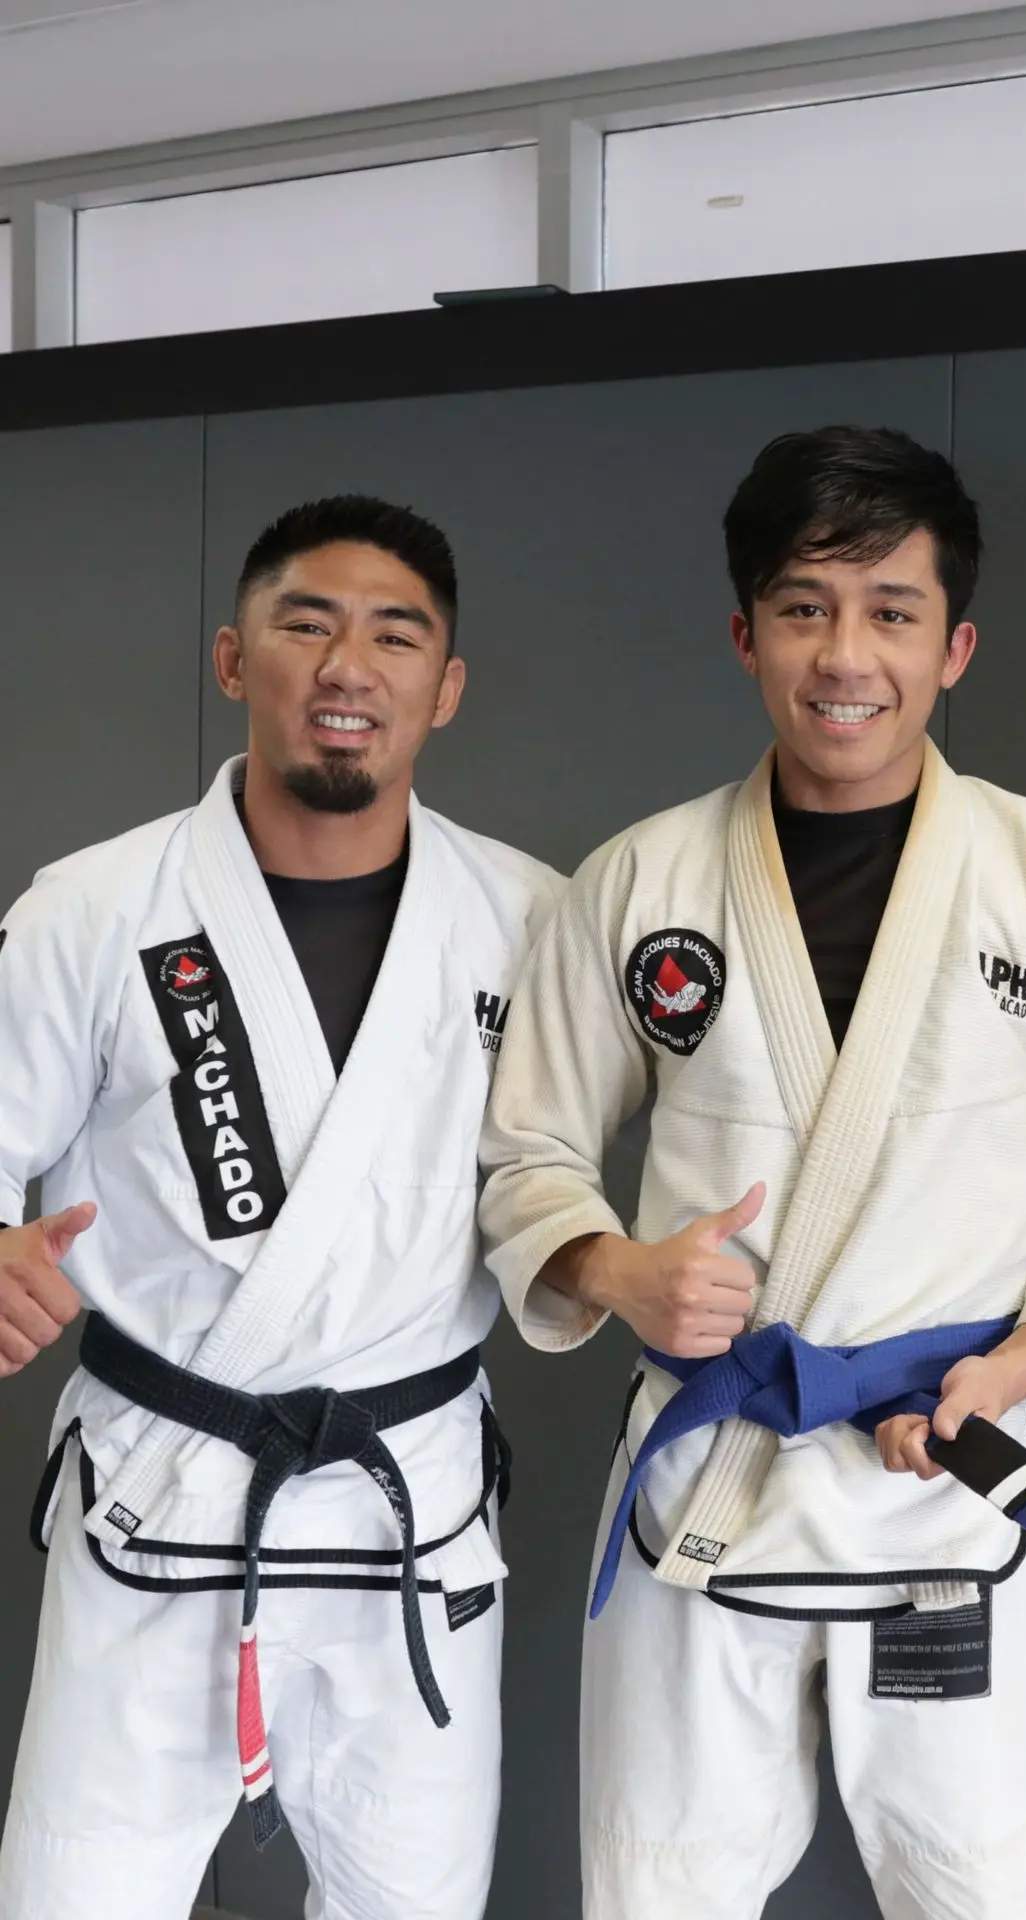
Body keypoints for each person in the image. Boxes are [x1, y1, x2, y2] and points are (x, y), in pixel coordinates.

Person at [479, 425, 1026, 1919]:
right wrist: (619, 1272)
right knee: (657, 1895)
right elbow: (529, 1147)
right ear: (745, 634)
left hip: (948, 1484)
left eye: (891, 611)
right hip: (709, 1486)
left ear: (958, 644)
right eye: (805, 608)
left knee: (986, 1894)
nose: (845, 654)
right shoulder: (639, 881)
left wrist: (1025, 1366)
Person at [0, 496, 560, 1920]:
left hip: (408, 1511)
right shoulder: (92, 906)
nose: (345, 667)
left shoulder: (532, 919)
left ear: (447, 688)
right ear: (232, 660)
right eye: (304, 624)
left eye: (394, 635)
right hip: (158, 1492)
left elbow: (605, 1181)